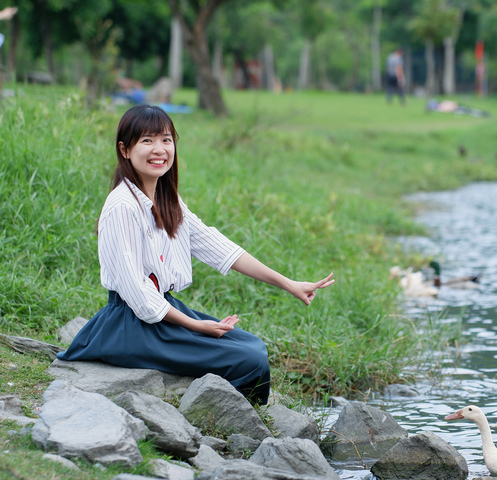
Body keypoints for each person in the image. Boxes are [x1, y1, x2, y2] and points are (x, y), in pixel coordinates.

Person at [57, 104, 335, 403]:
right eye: (147, 141)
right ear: (125, 149)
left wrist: (288, 283)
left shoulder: (167, 200)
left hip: (160, 313)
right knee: (249, 360)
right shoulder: (122, 207)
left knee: (252, 346)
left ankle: (239, 411)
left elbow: (220, 248)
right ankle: (229, 415)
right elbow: (138, 295)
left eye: (166, 139)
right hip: (132, 324)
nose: (159, 149)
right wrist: (194, 325)